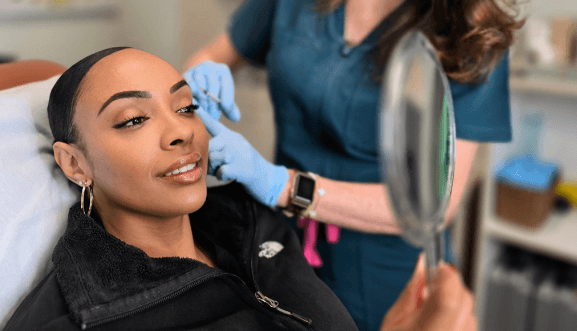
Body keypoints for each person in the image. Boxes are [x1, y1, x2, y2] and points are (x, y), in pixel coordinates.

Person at [2, 47, 475, 331]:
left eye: (185, 107)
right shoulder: (78, 321)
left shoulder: (254, 224)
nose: (181, 132)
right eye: (134, 119)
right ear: (74, 163)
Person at [184, 0, 523, 329]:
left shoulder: (474, 29)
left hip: (384, 273)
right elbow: (214, 55)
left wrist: (285, 187)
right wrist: (197, 82)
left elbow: (439, 201)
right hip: (281, 248)